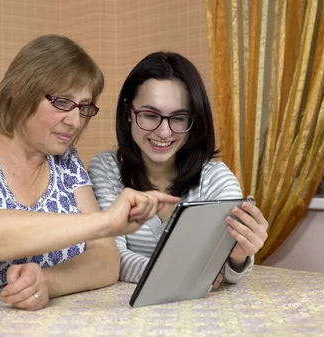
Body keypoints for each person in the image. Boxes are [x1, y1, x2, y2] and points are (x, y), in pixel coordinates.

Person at [0, 35, 179, 310]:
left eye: (84, 107)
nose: (75, 121)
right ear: (22, 91)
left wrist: (48, 281)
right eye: (61, 102)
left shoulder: (67, 163)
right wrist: (105, 222)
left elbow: (105, 258)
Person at [88, 52, 269, 285]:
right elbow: (111, 258)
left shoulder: (216, 179)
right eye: (150, 115)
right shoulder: (106, 169)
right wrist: (183, 273)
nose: (164, 132)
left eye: (179, 117)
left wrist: (239, 256)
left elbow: (224, 272)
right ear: (128, 113)